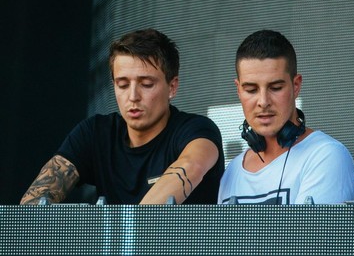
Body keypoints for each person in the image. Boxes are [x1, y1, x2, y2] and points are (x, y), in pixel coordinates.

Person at [21, 28, 224, 205]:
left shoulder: (197, 130)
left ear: (172, 86)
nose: (133, 96)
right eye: (123, 84)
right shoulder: (94, 133)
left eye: (146, 84)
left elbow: (192, 165)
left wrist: (128, 234)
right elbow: (34, 202)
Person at [218, 30, 354, 205]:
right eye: (251, 90)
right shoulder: (231, 172)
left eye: (275, 87)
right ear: (238, 90)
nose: (263, 102)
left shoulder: (326, 156)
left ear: (296, 85)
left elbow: (308, 233)